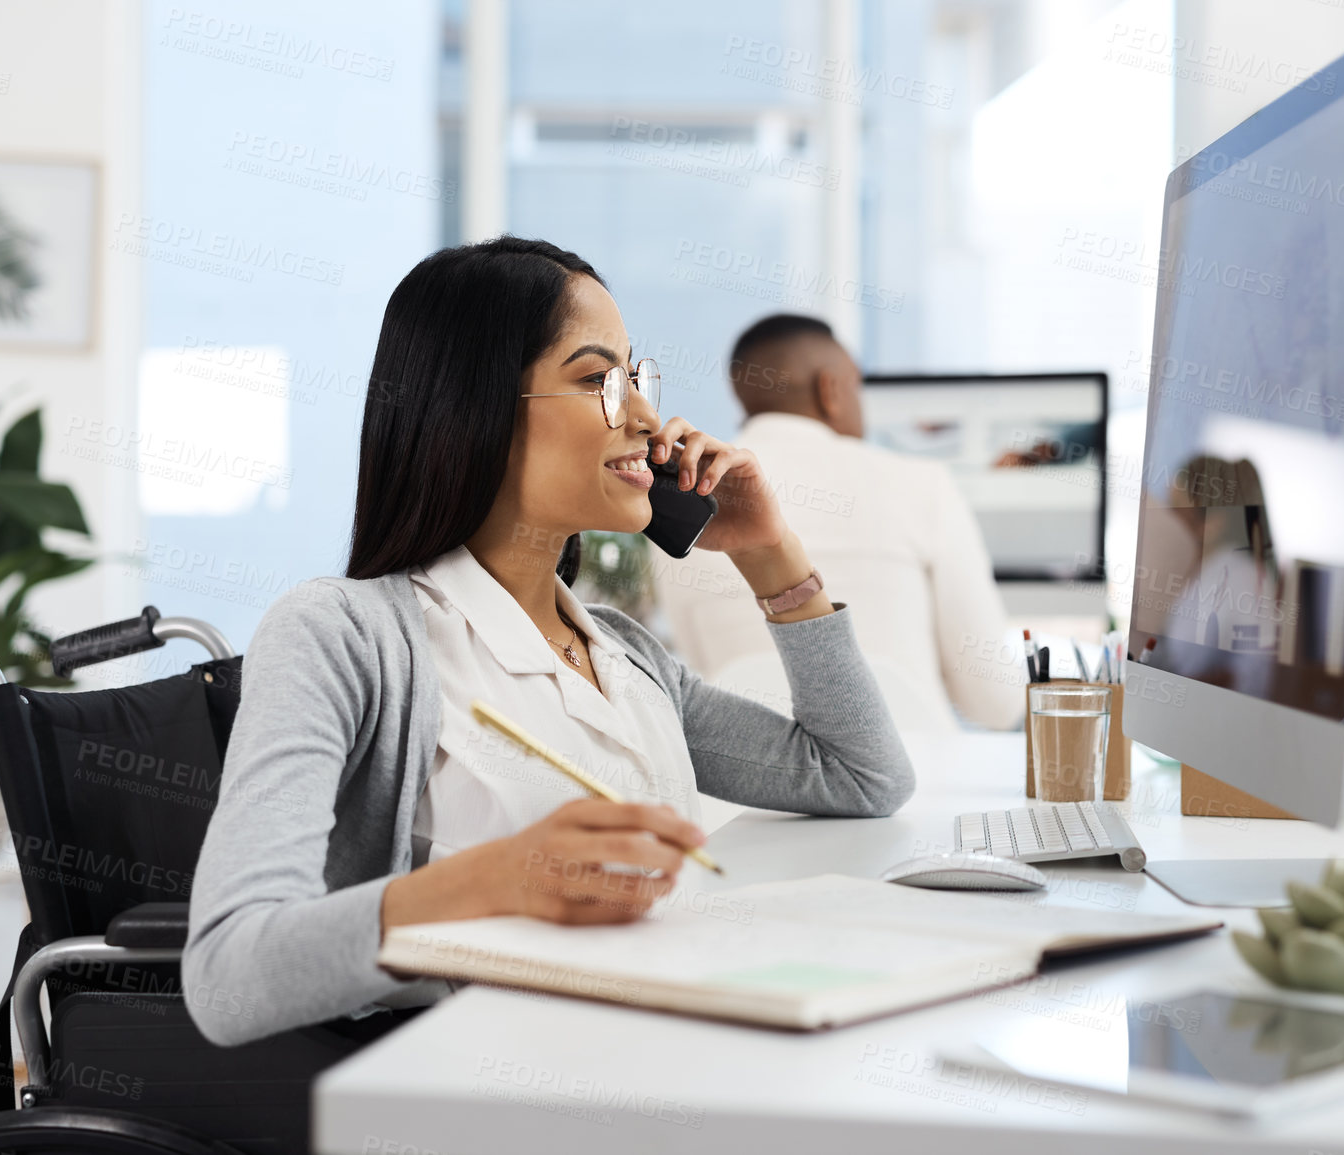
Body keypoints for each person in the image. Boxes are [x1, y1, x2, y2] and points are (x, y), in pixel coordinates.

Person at [183, 240, 915, 1046]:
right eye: (597, 379)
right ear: (478, 407)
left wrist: (768, 551)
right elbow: (228, 975)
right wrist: (501, 880)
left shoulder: (623, 654)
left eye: (636, 377)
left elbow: (862, 773)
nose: (643, 416)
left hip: (673, 1046)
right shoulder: (343, 634)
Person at [653, 314, 1023, 734]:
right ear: (830, 390)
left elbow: (701, 671)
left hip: (743, 791)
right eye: (856, 387)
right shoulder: (923, 483)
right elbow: (995, 702)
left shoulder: (688, 493)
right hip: (920, 784)